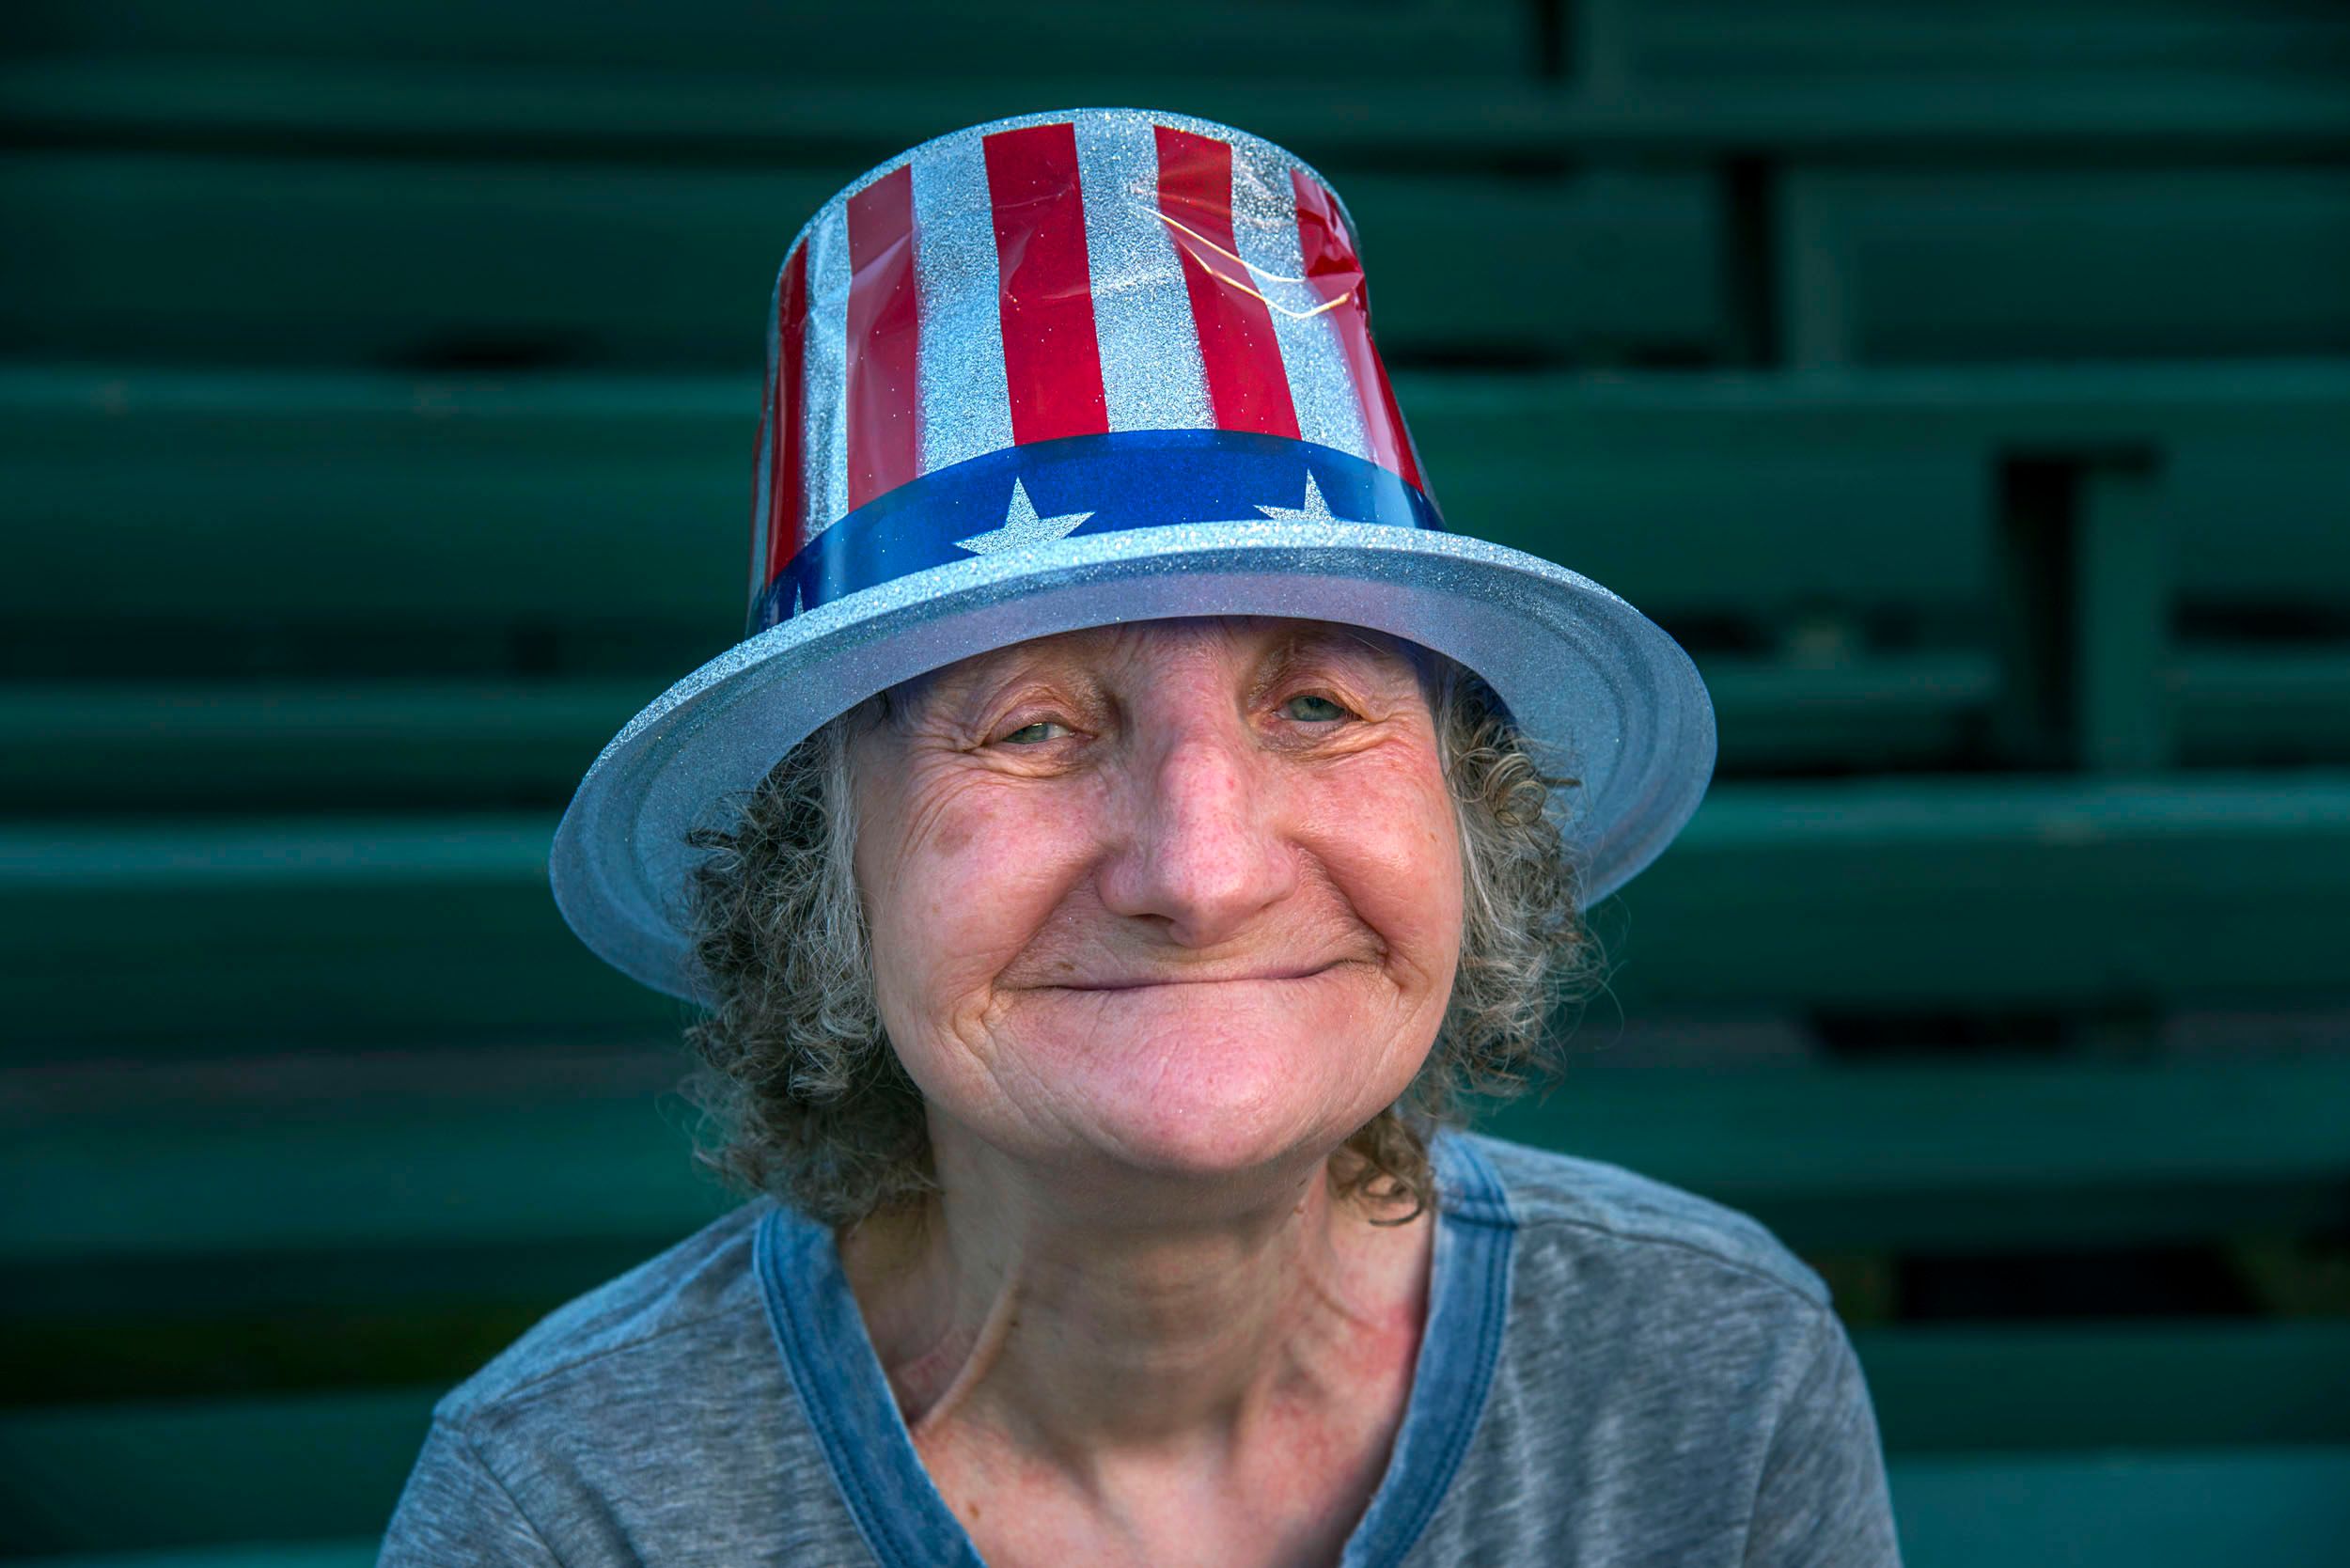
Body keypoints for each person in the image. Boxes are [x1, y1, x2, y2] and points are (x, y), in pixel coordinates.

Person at [381, 108, 1901, 1566]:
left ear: (1466, 814)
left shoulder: (1715, 1373)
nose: (1202, 870)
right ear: (820, 884)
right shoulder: (570, 1512)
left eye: (1314, 706)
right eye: (1033, 727)